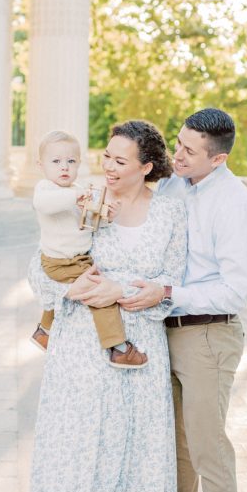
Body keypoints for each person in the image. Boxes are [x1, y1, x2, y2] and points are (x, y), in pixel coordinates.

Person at [23, 120, 186, 492]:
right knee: (79, 461)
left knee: (134, 463)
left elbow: (173, 278)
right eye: (106, 156)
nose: (108, 167)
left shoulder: (169, 211)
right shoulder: (86, 200)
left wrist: (124, 290)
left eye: (120, 160)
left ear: (147, 166)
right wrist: (66, 291)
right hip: (79, 349)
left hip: (140, 349)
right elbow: (44, 258)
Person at [120, 108, 247, 492]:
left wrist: (167, 291)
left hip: (209, 336)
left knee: (209, 450)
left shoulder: (234, 203)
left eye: (187, 151)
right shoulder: (180, 184)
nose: (174, 156)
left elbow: (235, 288)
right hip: (166, 331)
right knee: (175, 445)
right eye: (177, 145)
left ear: (218, 158)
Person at [30, 129, 147, 369]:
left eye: (70, 161)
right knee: (100, 296)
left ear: (79, 164)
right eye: (56, 161)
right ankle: (118, 348)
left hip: (77, 258)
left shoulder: (78, 188)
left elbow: (88, 221)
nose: (64, 167)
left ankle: (44, 331)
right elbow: (45, 205)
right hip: (60, 260)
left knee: (78, 290)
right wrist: (75, 196)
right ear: (41, 165)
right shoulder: (46, 189)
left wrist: (106, 216)